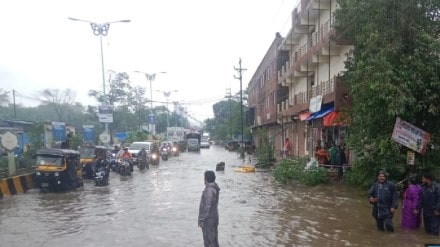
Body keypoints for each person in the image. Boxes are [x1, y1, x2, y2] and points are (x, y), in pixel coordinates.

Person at [198, 170, 220, 247]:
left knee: (209, 241)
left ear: (206, 179)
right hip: (213, 218)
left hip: (208, 220)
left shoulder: (209, 190)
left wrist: (201, 219)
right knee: (213, 240)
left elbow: (207, 206)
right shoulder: (214, 188)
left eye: (204, 178)